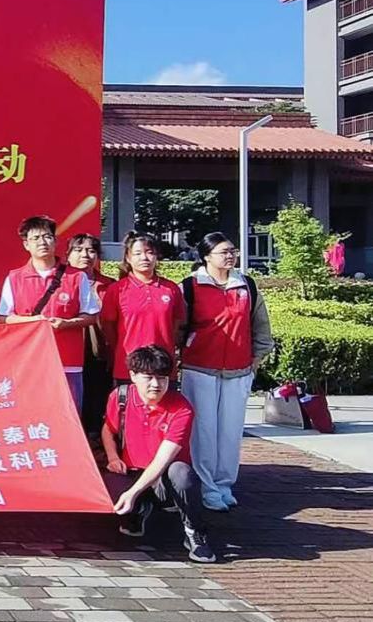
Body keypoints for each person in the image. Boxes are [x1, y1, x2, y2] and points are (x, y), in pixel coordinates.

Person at [179, 232, 273, 511]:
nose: (230, 256)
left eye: (233, 251)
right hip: (199, 368)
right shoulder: (190, 286)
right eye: (223, 252)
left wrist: (256, 359)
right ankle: (207, 487)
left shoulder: (246, 285)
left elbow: (261, 326)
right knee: (204, 431)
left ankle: (224, 484)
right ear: (206, 256)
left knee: (231, 432)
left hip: (238, 370)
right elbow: (177, 327)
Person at [102, 345, 216, 563]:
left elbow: (162, 459)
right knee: (109, 483)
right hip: (131, 472)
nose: (156, 384)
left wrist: (132, 493)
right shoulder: (120, 397)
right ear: (133, 376)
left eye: (162, 378)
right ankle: (138, 511)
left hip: (164, 479)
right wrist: (113, 457)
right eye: (148, 377)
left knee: (181, 473)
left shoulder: (181, 408)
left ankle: (194, 532)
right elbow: (108, 429)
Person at [0, 215, 100, 406]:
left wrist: (66, 323)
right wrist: (34, 321)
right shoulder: (15, 278)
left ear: (55, 241)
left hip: (67, 361)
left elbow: (91, 316)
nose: (42, 242)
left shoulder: (77, 277)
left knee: (69, 415)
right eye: (35, 238)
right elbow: (3, 318)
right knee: (30, 414)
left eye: (47, 237)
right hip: (28, 361)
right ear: (26, 245)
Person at [101, 232, 185, 384]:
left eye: (149, 252)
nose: (144, 258)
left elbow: (176, 324)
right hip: (128, 366)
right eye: (137, 253)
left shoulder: (171, 289)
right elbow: (108, 326)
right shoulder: (117, 289)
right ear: (128, 258)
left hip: (163, 367)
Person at [67, 234, 114, 436]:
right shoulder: (60, 282)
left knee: (97, 403)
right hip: (67, 354)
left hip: (98, 353)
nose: (85, 255)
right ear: (68, 254)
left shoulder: (109, 285)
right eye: (78, 250)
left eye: (91, 250)